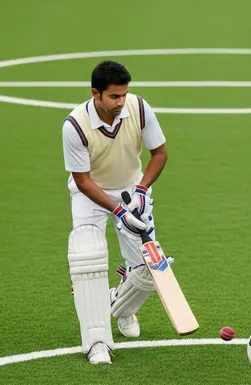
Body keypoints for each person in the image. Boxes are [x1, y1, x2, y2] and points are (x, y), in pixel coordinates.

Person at [62, 60, 168, 365]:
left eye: (124, 95)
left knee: (146, 270)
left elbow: (159, 152)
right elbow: (82, 180)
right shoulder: (75, 125)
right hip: (90, 195)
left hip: (131, 190)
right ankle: (96, 341)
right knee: (88, 259)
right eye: (114, 97)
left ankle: (122, 308)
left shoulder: (140, 109)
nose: (122, 102)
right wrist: (119, 211)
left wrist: (142, 190)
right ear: (96, 94)